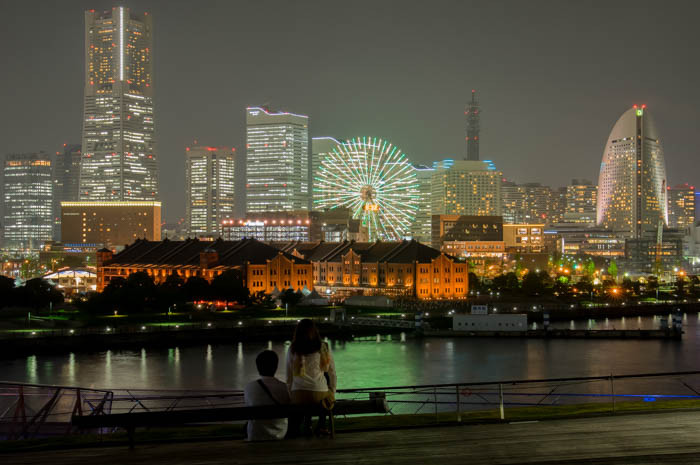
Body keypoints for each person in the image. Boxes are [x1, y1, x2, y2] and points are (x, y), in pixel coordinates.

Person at [286, 318, 337, 436]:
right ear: (315, 331)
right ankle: (321, 426)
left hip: (298, 393)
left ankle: (305, 425)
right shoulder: (324, 347)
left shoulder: (293, 349)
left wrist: (291, 395)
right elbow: (332, 373)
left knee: (305, 393)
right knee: (325, 392)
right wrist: (332, 391)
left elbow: (289, 376)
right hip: (319, 393)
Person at [243, 350, 291, 441]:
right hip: (280, 434)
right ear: (276, 367)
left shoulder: (249, 387)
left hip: (255, 435)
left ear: (258, 367)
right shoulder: (284, 387)